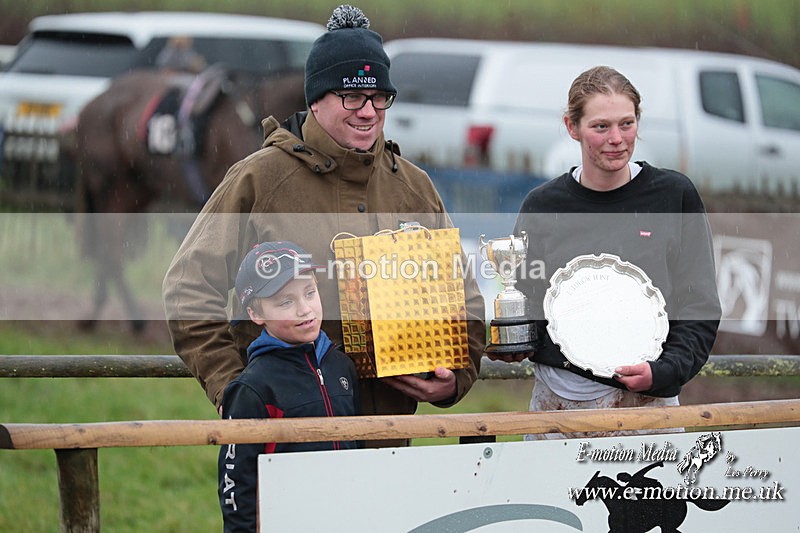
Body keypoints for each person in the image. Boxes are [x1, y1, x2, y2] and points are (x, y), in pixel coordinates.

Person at [162, 5, 485, 446]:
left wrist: (455, 379)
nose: (368, 111)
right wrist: (234, 390)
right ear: (315, 99)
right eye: (352, 96)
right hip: (286, 440)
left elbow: (463, 298)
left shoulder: (414, 187)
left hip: (388, 443)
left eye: (380, 97)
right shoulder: (259, 180)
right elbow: (188, 288)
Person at [502, 66, 720, 439]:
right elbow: (528, 306)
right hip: (556, 408)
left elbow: (698, 307)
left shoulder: (673, 196)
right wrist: (512, 342)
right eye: (600, 126)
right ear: (572, 127)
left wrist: (663, 372)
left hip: (647, 410)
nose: (616, 138)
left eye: (627, 124)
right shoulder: (542, 205)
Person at [218, 241, 359, 531]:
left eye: (310, 292)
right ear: (256, 314)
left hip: (345, 517)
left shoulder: (342, 367)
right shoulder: (252, 387)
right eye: (285, 302)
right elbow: (236, 482)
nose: (304, 308)